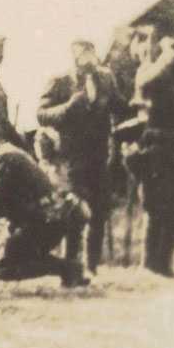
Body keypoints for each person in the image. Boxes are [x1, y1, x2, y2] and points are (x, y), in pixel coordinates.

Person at [0, 128, 89, 287]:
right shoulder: (8, 153)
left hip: (43, 221)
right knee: (11, 260)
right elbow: (1, 200)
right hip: (45, 219)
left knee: (3, 268)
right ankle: (69, 268)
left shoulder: (2, 157)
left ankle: (68, 268)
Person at [37, 40, 122, 273]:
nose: (87, 61)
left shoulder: (106, 79)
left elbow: (118, 106)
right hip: (71, 157)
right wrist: (68, 108)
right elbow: (42, 114)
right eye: (82, 56)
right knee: (75, 212)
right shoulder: (61, 82)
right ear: (73, 58)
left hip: (99, 156)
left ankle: (91, 266)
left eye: (91, 55)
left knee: (99, 211)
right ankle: (71, 265)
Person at [120, 26, 174, 276]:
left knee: (173, 208)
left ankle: (159, 263)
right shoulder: (153, 74)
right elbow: (149, 84)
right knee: (158, 206)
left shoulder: (170, 76)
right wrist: (169, 53)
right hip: (158, 143)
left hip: (171, 143)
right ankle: (153, 264)